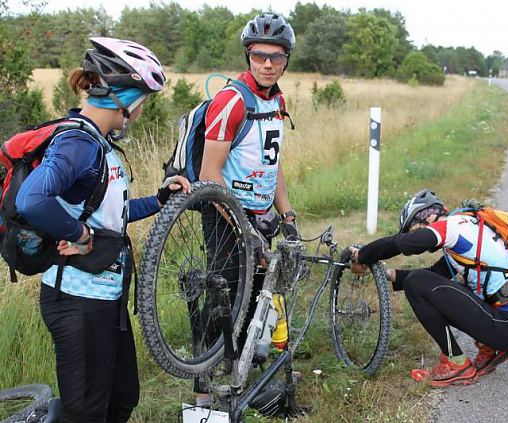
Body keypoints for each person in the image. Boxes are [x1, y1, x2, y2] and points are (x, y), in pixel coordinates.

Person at [15, 37, 190, 422]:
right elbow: (32, 199)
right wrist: (78, 236)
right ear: (123, 97)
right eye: (143, 99)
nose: (143, 109)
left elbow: (110, 217)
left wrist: (159, 200)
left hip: (106, 299)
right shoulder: (78, 141)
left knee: (121, 399)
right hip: (76, 302)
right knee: (86, 413)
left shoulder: (99, 143)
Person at [196, 13, 298, 405]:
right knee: (223, 295)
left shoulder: (277, 100)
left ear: (287, 59)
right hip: (225, 213)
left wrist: (286, 215)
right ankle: (204, 388)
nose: (268, 64)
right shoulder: (231, 101)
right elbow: (209, 173)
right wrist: (244, 226)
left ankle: (242, 373)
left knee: (257, 292)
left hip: (259, 213)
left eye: (276, 57)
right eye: (259, 56)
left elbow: (273, 166)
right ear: (248, 56)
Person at [351, 189, 508, 387]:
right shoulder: (468, 227)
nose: (415, 236)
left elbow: (400, 245)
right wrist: (385, 274)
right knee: (423, 282)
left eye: (414, 230)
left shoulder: (452, 227)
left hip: (506, 326)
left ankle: (456, 363)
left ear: (429, 216)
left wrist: (362, 256)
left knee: (416, 281)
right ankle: (492, 348)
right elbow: (434, 278)